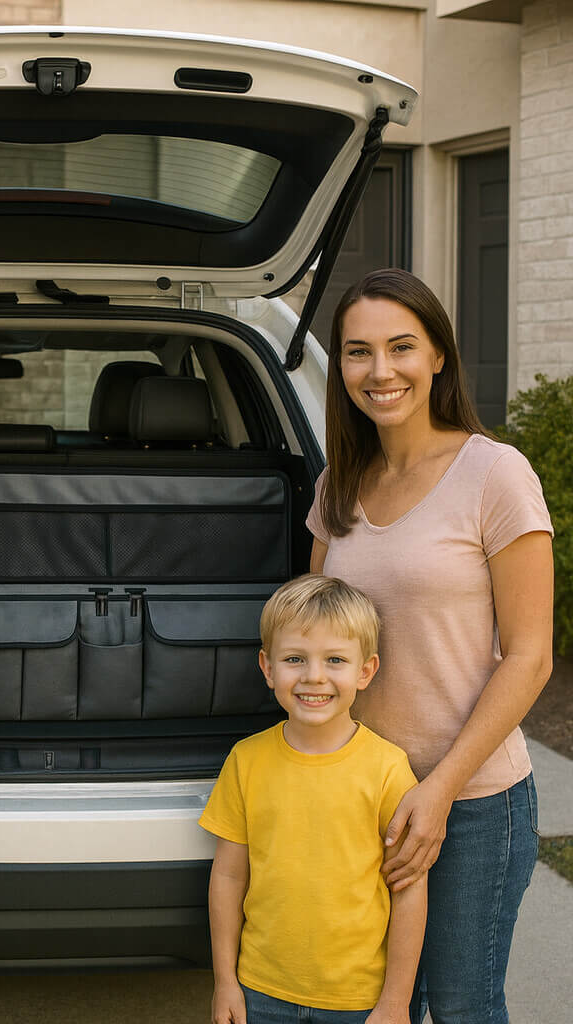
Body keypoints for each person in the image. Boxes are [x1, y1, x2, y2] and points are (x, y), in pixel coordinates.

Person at [307, 268, 553, 1023]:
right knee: (375, 1006)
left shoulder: (494, 474)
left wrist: (440, 789)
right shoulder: (339, 483)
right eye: (358, 352)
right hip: (362, 795)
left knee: (460, 1007)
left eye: (401, 347)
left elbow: (532, 656)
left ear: (438, 355)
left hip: (471, 802)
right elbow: (313, 631)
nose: (380, 371)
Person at [201, 574, 425, 1024]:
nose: (314, 676)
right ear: (268, 667)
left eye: (335, 659)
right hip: (261, 991)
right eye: (294, 659)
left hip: (358, 1000)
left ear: (366, 671)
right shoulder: (246, 761)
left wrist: (396, 1002)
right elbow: (228, 876)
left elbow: (409, 889)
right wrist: (225, 981)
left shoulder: (388, 769)